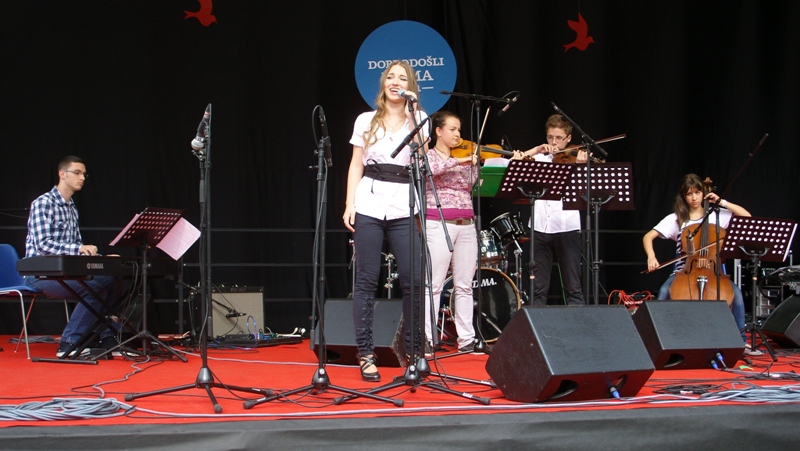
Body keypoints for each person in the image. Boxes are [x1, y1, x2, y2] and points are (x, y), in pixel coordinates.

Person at [343, 60, 428, 382]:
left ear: (410, 86)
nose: (395, 82)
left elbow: (422, 154)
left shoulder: (420, 118)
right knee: (366, 279)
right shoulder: (365, 120)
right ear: (383, 83)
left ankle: (413, 353)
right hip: (370, 199)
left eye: (402, 78)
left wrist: (412, 112)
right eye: (390, 77)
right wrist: (349, 203)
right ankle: (365, 353)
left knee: (413, 280)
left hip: (404, 202)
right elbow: (356, 164)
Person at [24, 156, 124, 357]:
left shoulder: (71, 207)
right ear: (62, 174)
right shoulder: (43, 203)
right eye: (77, 173)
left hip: (67, 271)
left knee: (112, 281)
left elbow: (78, 247)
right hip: (40, 273)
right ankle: (68, 343)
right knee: (94, 289)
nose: (82, 178)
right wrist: (79, 249)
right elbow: (43, 245)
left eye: (84, 174)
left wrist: (102, 258)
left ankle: (108, 338)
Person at [642, 173, 748, 343]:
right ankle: (661, 340)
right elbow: (648, 237)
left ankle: (741, 340)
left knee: (737, 296)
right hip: (684, 271)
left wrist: (721, 202)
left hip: (715, 271)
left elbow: (747, 217)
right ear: (683, 196)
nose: (694, 198)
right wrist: (651, 257)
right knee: (663, 293)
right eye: (689, 194)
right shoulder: (676, 219)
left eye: (697, 193)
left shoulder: (717, 214)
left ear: (703, 193)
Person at [423, 111, 480, 354]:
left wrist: (474, 166)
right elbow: (432, 169)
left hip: (466, 223)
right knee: (434, 284)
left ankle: (467, 339)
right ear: (438, 131)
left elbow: (470, 185)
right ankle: (427, 338)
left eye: (459, 130)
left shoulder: (462, 158)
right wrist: (462, 161)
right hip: (438, 223)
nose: (458, 134)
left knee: (465, 285)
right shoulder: (429, 155)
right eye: (452, 129)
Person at [518, 114, 587, 305]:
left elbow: (585, 193)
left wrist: (581, 167)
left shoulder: (575, 159)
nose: (554, 142)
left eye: (558, 138)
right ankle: (537, 323)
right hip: (539, 227)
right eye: (550, 137)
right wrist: (536, 149)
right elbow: (514, 162)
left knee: (573, 286)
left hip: (567, 226)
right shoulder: (538, 158)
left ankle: (578, 321)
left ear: (568, 138)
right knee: (537, 288)